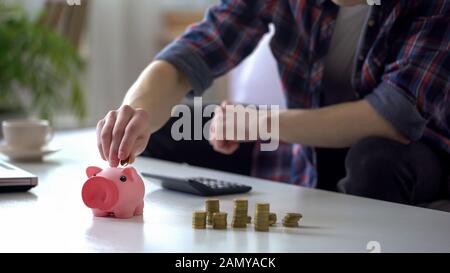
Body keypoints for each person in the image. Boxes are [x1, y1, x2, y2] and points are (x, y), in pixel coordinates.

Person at [96, 0, 450, 206]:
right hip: (300, 144)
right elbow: (198, 49)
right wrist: (135, 111)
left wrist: (263, 123)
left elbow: (393, 114)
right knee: (168, 128)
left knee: (374, 160)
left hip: (413, 152)